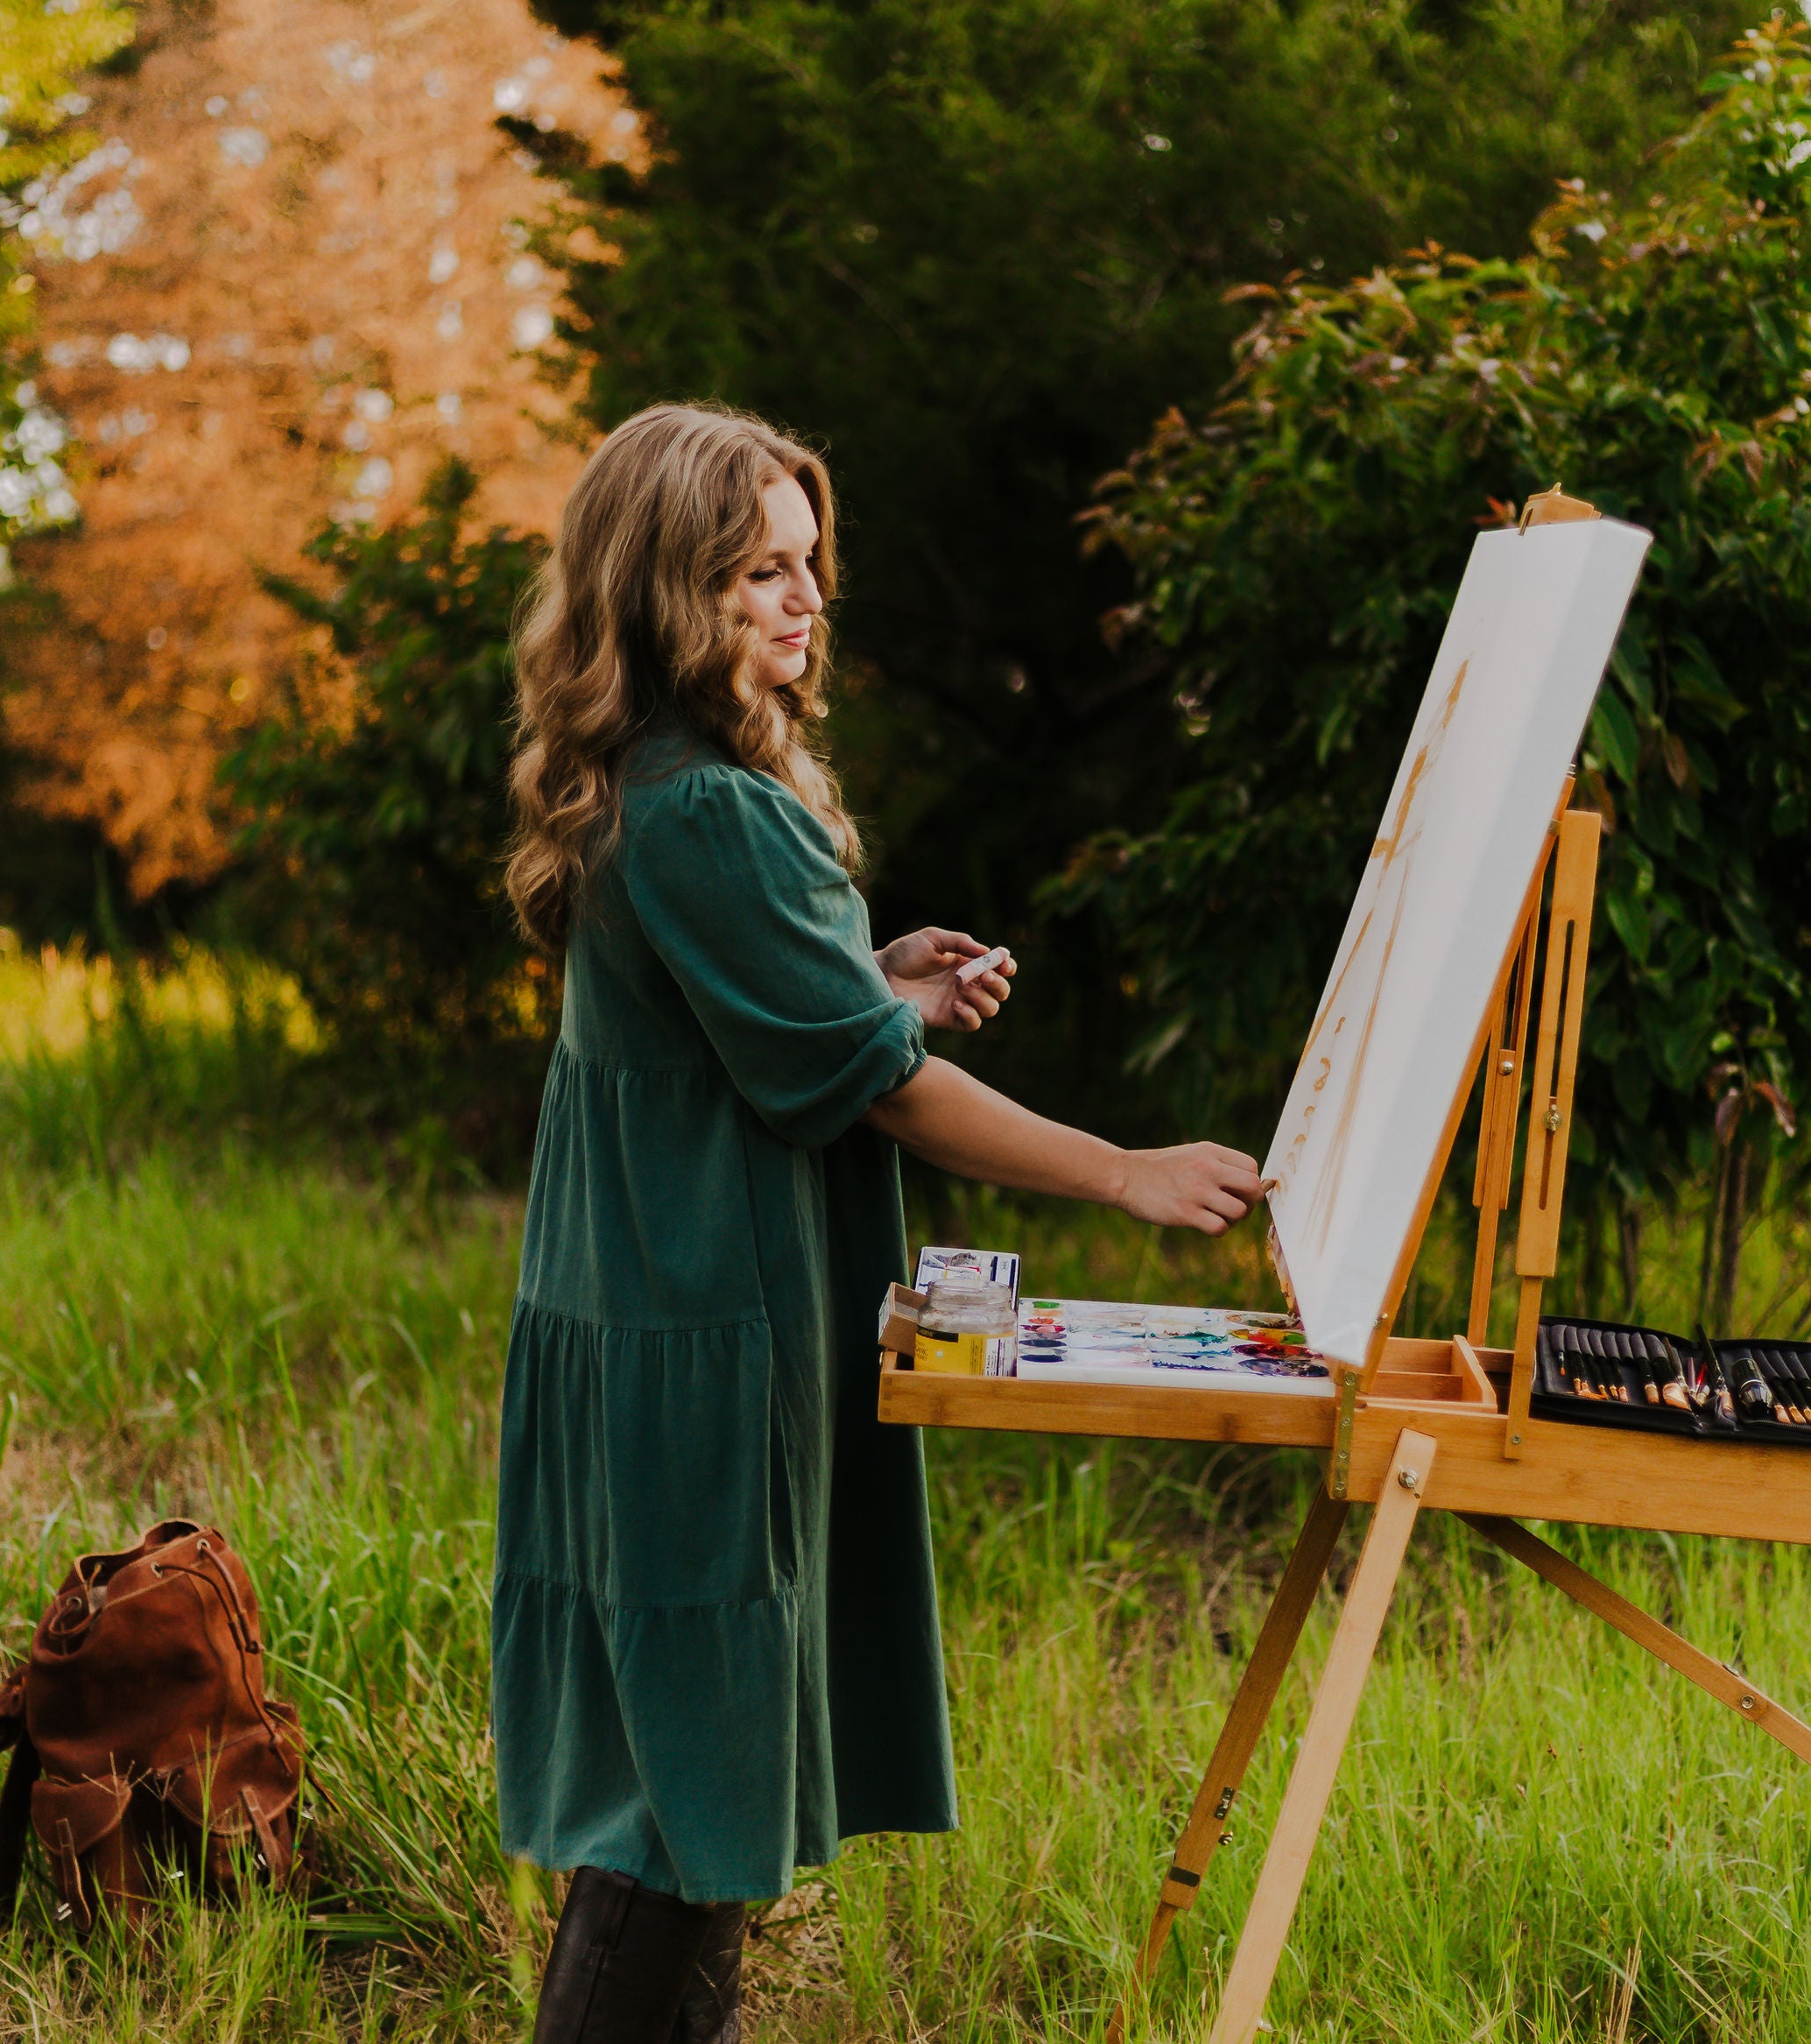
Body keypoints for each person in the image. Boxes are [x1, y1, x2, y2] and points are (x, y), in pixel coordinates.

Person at [494, 402, 1265, 2041]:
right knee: (681, 1809)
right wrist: (1125, 1169)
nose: (801, 602)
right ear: (659, 592)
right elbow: (877, 1089)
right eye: (755, 572)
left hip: (650, 1303)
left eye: (808, 566)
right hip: (697, 1321)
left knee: (683, 1787)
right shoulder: (701, 807)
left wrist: (878, 982)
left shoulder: (666, 783)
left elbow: (769, 1025)